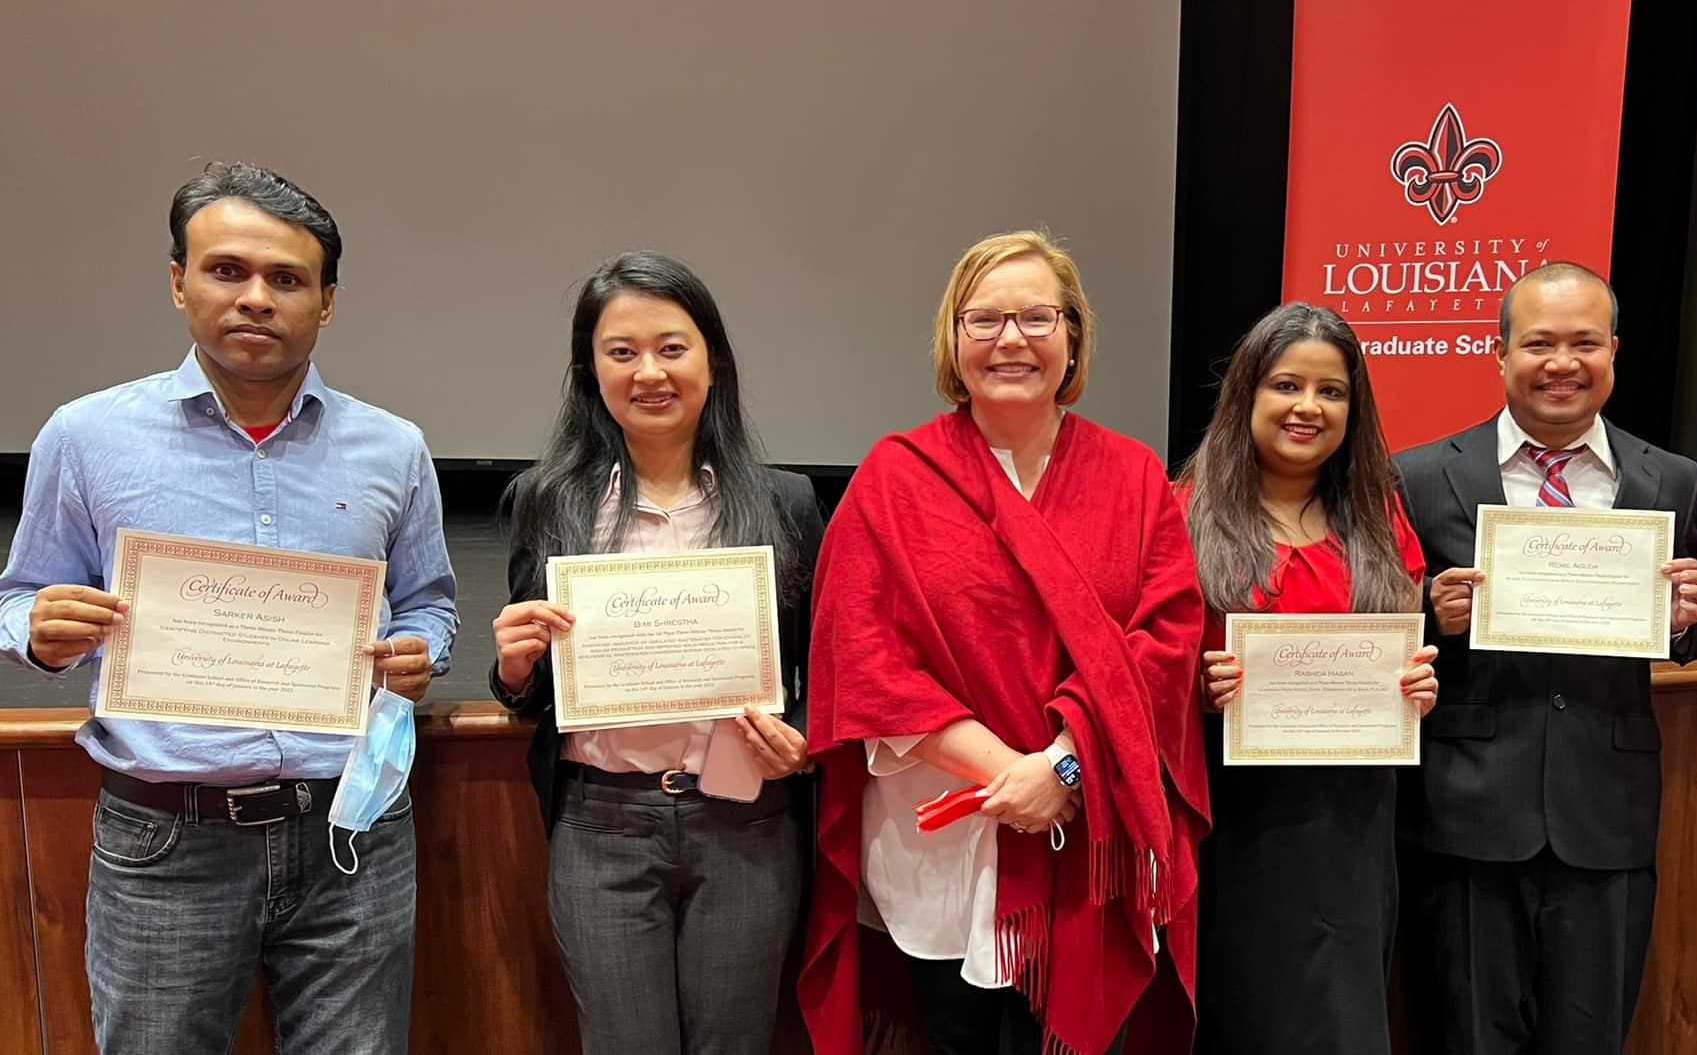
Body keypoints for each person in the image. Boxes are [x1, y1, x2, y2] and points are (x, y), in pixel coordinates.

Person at [0, 162, 457, 1054]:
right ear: (179, 282)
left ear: (326, 302)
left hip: (350, 833)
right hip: (165, 839)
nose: (255, 298)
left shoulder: (393, 447)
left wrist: (416, 651)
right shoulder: (85, 436)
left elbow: (430, 606)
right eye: (227, 271)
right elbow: (18, 597)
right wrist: (38, 635)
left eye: (286, 279)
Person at [798, 231, 1208, 1055]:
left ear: (1073, 337)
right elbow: (865, 656)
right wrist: (1012, 774)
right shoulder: (895, 476)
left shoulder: (1133, 477)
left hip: (1089, 831)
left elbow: (1165, 639)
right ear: (953, 340)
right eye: (984, 320)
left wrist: (1063, 764)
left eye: (1035, 317)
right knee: (954, 1039)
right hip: (940, 838)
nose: (1011, 339)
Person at [488, 252, 823, 1054]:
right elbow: (535, 695)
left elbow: (823, 668)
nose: (650, 372)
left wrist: (802, 742)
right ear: (589, 370)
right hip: (602, 824)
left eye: (673, 348)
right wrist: (512, 667)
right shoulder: (551, 500)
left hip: (744, 818)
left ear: (712, 361)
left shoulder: (785, 502)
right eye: (622, 351)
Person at [1393, 261, 1697, 1054]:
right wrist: (1428, 615)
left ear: (1614, 351)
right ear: (1500, 354)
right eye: (1539, 343)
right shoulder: (1419, 475)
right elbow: (1376, 630)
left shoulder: (1672, 480)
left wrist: (1686, 620)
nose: (1562, 363)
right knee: (1465, 1038)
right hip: (1466, 813)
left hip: (1605, 812)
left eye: (1584, 343)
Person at [1177, 302, 1441, 1054]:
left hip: (1351, 827)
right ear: (1247, 397)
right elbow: (1144, 680)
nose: (1308, 408)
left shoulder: (1381, 520)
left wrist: (1418, 690)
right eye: (1287, 385)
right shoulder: (1184, 516)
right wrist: (1195, 691)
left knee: (1344, 1023)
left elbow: (1406, 650)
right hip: (1232, 826)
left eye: (1332, 392)